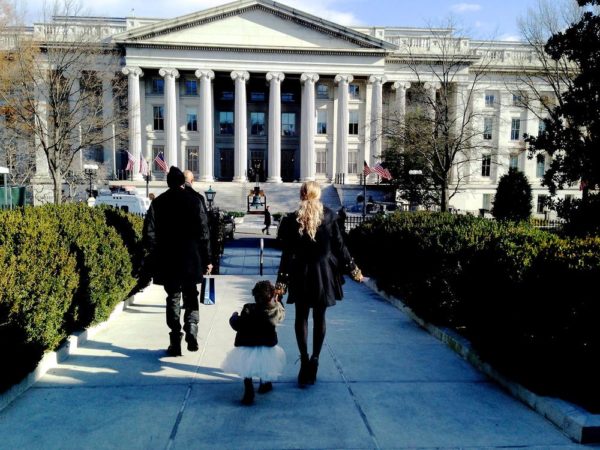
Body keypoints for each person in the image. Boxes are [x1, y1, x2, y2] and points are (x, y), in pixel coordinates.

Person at [276, 181, 363, 387]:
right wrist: (354, 269)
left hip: (300, 272)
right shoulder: (330, 216)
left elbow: (287, 253)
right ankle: (314, 360)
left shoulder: (291, 219)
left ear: (301, 194)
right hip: (323, 273)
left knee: (301, 317)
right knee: (319, 317)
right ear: (318, 195)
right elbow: (340, 247)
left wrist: (281, 280)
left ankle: (304, 360)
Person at [142, 166, 212, 357]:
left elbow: (149, 233)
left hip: (168, 259)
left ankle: (175, 339)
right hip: (191, 257)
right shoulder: (194, 201)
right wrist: (207, 258)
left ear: (168, 182)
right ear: (183, 182)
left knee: (173, 297)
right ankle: (192, 328)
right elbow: (204, 233)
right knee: (191, 295)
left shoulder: (158, 202)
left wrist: (155, 252)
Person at [222, 280, 286, 405]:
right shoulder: (275, 310)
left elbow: (237, 324)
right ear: (271, 296)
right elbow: (282, 314)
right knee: (265, 366)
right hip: (266, 346)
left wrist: (233, 316)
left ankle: (249, 390)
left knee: (247, 369)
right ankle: (265, 384)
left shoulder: (248, 308)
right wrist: (278, 301)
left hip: (247, 346)